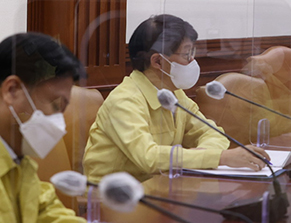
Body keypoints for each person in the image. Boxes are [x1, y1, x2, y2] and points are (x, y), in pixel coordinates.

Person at [83, 15, 269, 183]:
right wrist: (220, 158)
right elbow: (150, 158)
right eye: (186, 54)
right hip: (111, 200)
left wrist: (200, 155)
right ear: (157, 61)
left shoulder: (173, 93)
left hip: (161, 188)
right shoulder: (124, 101)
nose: (192, 61)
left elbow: (213, 133)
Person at [0, 32, 85, 222]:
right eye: (55, 106)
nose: (59, 123)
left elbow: (49, 212)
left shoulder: (20, 162)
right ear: (12, 90)